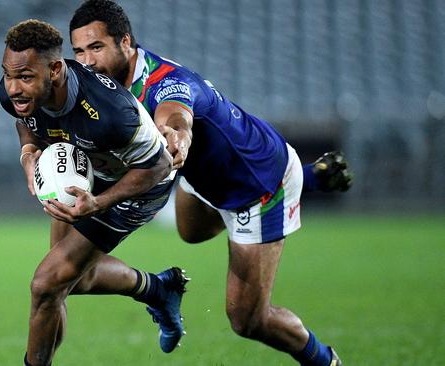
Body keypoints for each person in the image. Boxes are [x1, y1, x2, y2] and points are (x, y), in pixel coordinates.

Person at [68, 1, 345, 365]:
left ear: (126, 43)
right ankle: (310, 177)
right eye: (78, 51)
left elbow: (177, 117)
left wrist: (176, 137)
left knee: (248, 320)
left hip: (258, 184)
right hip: (206, 177)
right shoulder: (104, 83)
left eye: (96, 47)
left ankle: (325, 360)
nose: (86, 61)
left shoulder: (166, 83)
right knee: (191, 232)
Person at [0, 19, 190, 366]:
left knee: (45, 285)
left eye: (24, 77)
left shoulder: (111, 112)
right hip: (92, 170)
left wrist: (98, 203)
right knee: (71, 282)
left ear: (55, 69)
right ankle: (157, 289)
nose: (13, 88)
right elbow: (24, 123)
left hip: (140, 185)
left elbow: (160, 166)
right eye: (8, 75)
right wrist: (28, 156)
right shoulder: (18, 91)